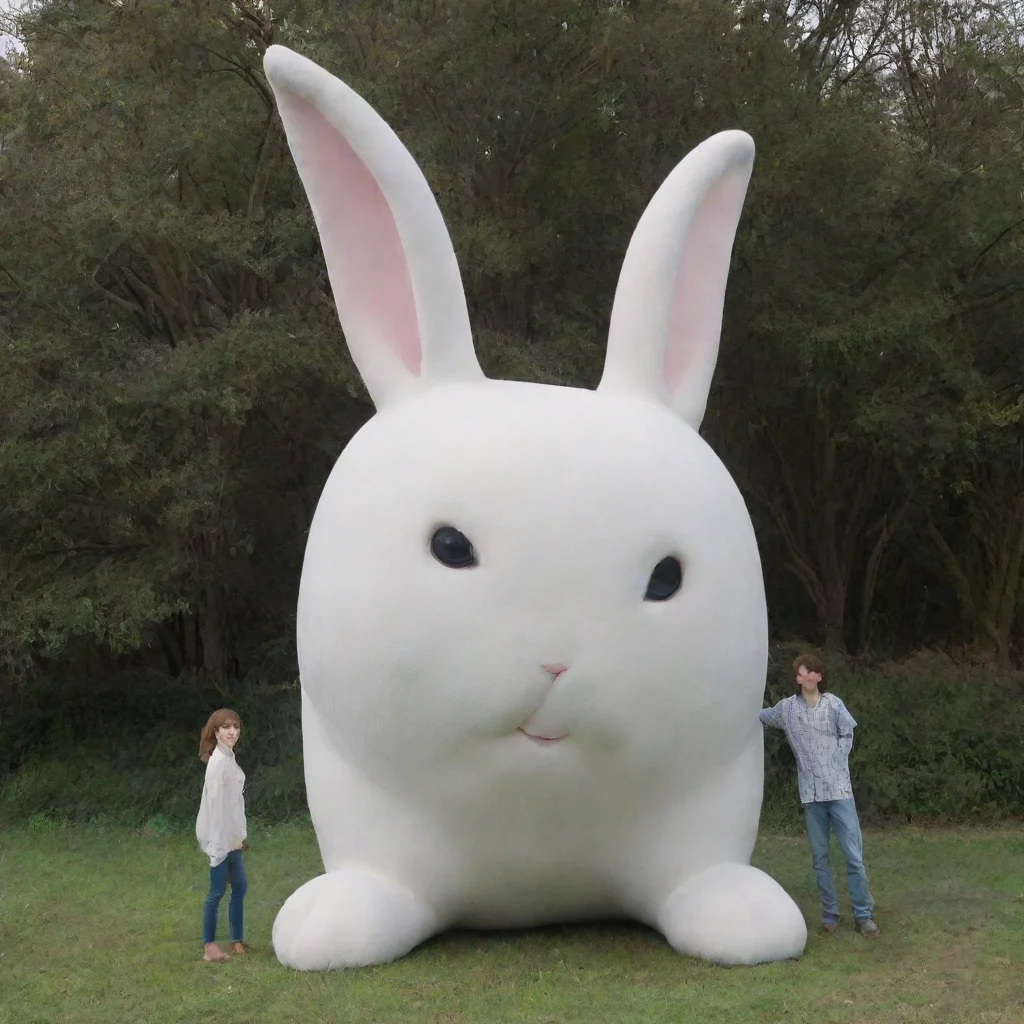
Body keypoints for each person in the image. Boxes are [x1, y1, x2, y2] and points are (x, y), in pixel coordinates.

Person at [759, 654, 880, 938]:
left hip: (840, 792)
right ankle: (830, 915)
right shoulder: (786, 709)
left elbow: (847, 733)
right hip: (811, 795)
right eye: (802, 673)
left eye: (812, 671)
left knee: (854, 857)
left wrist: (837, 762)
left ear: (819, 676)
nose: (808, 676)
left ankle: (863, 916)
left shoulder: (834, 704)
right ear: (798, 679)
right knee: (820, 857)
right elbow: (759, 716)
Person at [196, 708, 249, 961]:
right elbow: (215, 809)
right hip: (221, 840)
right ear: (216, 732)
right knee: (216, 892)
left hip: (233, 839)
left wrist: (237, 837)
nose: (232, 732)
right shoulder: (217, 764)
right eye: (226, 727)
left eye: (235, 727)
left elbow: (233, 804)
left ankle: (237, 941)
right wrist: (221, 844)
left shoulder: (228, 758)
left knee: (239, 887)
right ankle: (209, 947)